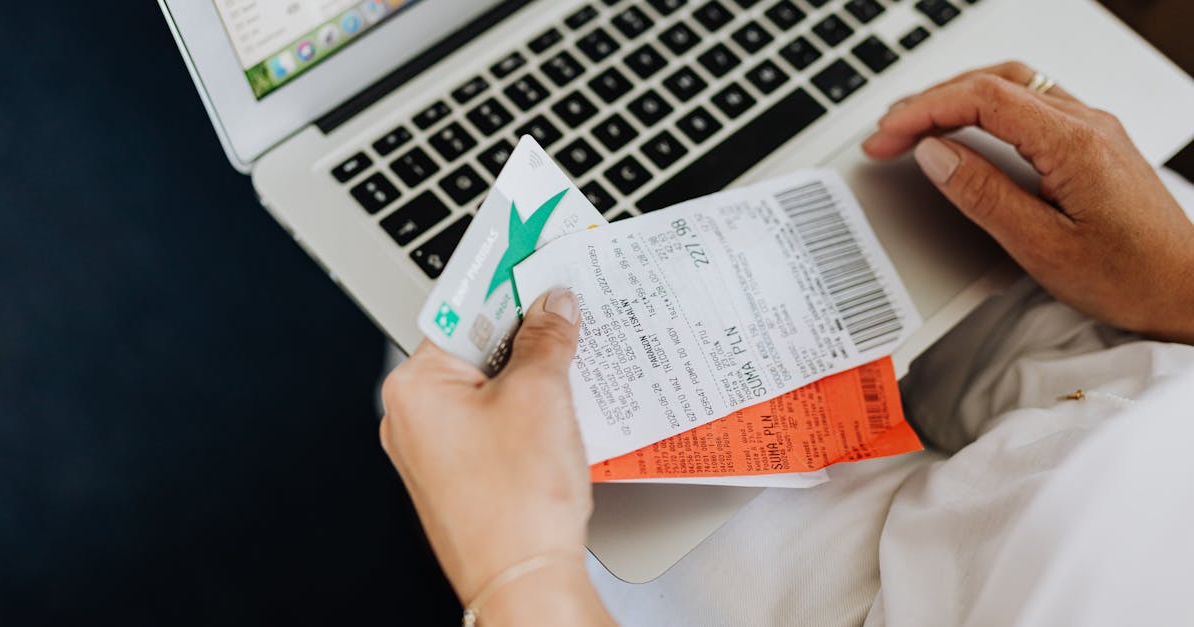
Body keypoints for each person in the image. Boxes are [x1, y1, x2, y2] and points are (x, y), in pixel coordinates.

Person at [378, 62, 1194, 626]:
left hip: (908, 601)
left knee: (436, 353)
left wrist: (517, 573)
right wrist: (1179, 288)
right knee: (917, 202)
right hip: (1156, 382)